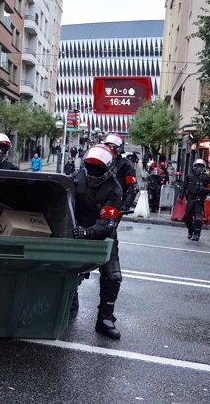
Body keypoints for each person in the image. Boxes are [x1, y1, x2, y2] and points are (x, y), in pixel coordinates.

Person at [71, 145, 124, 339]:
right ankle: (68, 300)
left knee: (113, 276)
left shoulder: (115, 189)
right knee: (64, 267)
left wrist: (88, 232)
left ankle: (105, 318)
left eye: (98, 167)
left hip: (102, 233)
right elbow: (63, 202)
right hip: (76, 229)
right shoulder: (76, 179)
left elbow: (108, 223)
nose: (93, 171)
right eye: (90, 166)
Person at [178, 159, 210, 241]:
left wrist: (204, 189)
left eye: (201, 167)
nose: (199, 168)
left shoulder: (206, 177)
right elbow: (184, 186)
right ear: (194, 167)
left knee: (198, 218)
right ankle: (190, 231)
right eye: (197, 167)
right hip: (190, 199)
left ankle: (196, 234)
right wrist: (181, 195)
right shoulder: (189, 176)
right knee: (187, 217)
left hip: (199, 200)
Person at [103, 134, 139, 211]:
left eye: (113, 146)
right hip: (97, 201)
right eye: (108, 146)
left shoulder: (126, 165)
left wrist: (126, 205)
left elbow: (133, 186)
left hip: (115, 203)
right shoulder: (102, 160)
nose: (110, 148)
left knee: (108, 222)